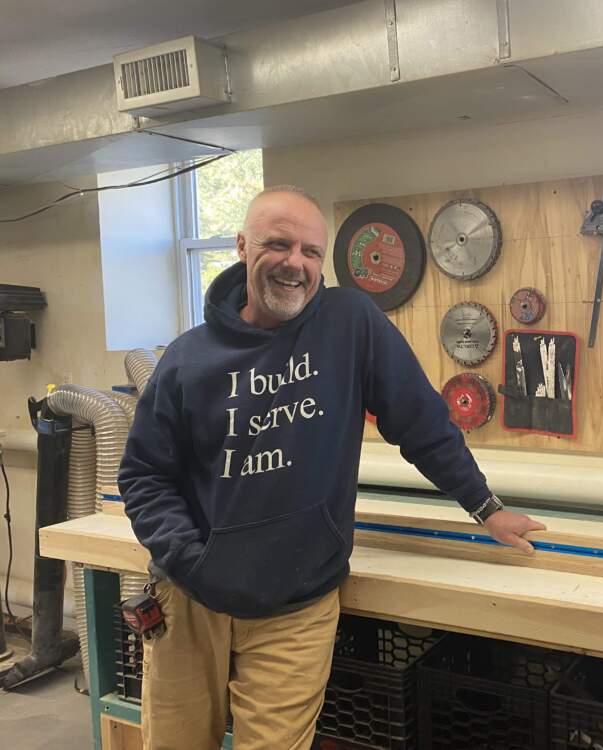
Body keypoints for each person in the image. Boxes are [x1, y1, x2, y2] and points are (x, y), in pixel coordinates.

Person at [118, 185, 544, 750]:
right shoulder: (188, 358)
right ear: (242, 247)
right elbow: (145, 475)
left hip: (296, 604)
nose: (296, 263)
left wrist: (484, 506)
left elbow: (420, 420)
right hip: (191, 599)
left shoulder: (350, 322)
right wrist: (192, 561)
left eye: (311, 251)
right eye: (278, 244)